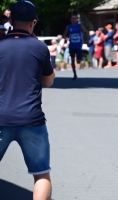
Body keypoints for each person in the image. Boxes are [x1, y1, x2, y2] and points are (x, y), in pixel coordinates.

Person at [0, 1, 55, 200]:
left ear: (11, 20)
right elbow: (48, 81)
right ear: (33, 22)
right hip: (32, 120)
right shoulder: (40, 48)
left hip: (1, 117)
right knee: (41, 173)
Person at [63, 14, 88, 80]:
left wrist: (88, 41)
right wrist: (66, 38)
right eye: (72, 18)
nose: (74, 20)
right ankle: (74, 74)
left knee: (78, 60)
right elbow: (65, 34)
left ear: (76, 19)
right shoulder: (69, 27)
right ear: (71, 20)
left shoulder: (80, 26)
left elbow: (86, 32)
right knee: (72, 59)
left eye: (75, 18)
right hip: (72, 45)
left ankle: (79, 59)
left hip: (78, 45)